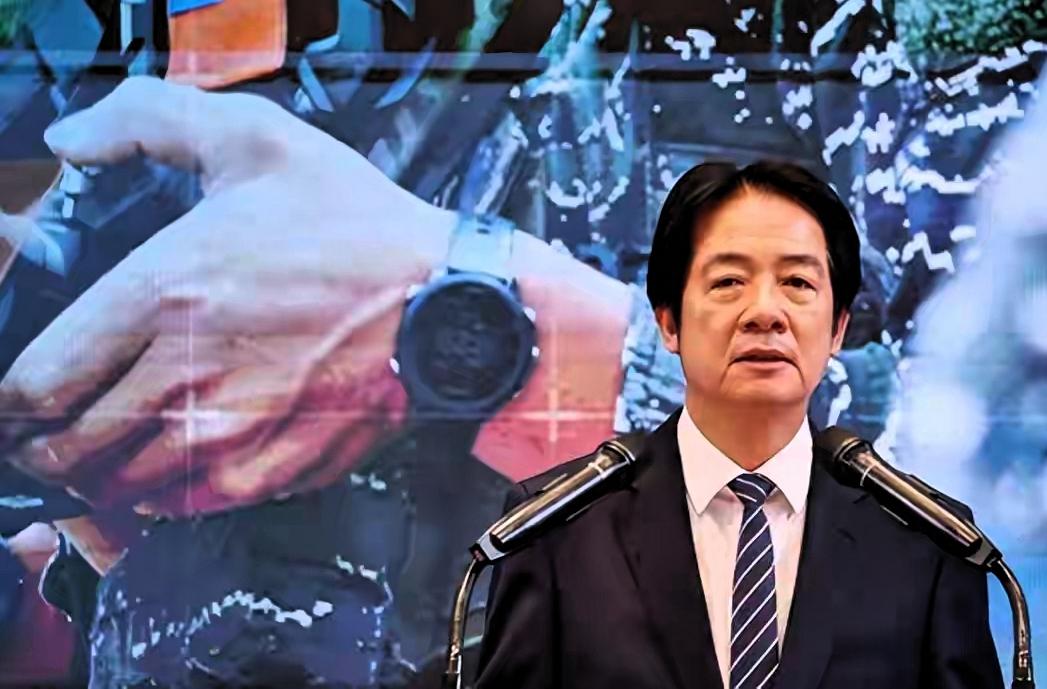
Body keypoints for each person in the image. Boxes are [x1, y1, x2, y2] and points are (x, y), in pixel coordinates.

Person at [474, 160, 1005, 689]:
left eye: (797, 282)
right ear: (668, 322)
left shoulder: (928, 541)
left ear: (839, 328)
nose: (764, 312)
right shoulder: (556, 529)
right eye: (728, 281)